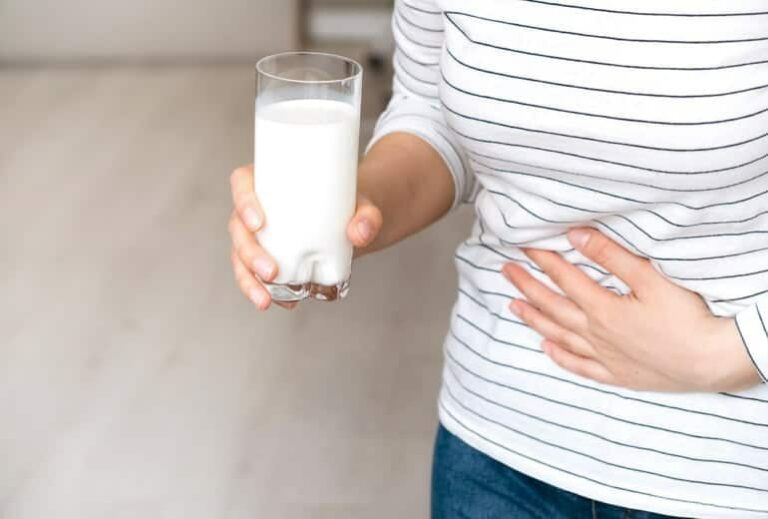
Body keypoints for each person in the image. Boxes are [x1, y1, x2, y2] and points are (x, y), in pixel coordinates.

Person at [227, 1, 768, 517]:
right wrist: (354, 207)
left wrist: (725, 354)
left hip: (735, 473)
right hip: (497, 448)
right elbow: (432, 111)